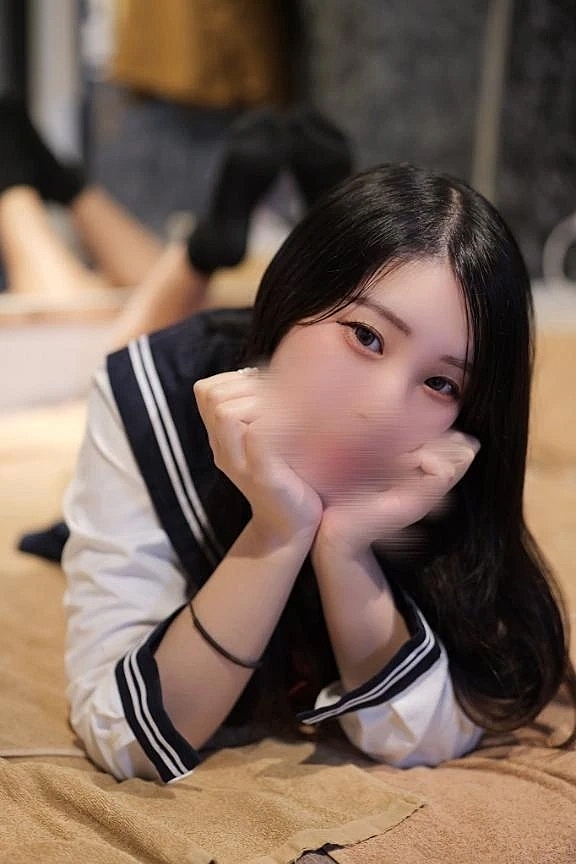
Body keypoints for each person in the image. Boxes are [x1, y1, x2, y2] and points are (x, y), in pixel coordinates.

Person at [63, 162, 576, 784]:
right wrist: (278, 531)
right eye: (367, 336)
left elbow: (439, 725)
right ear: (293, 296)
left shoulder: (444, 465)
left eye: (441, 382)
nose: (383, 410)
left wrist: (344, 544)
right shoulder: (151, 400)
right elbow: (124, 735)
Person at [0, 98, 353, 560]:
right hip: (271, 435)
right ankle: (333, 247)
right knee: (120, 309)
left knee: (108, 370)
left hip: (211, 468)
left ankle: (19, 181)